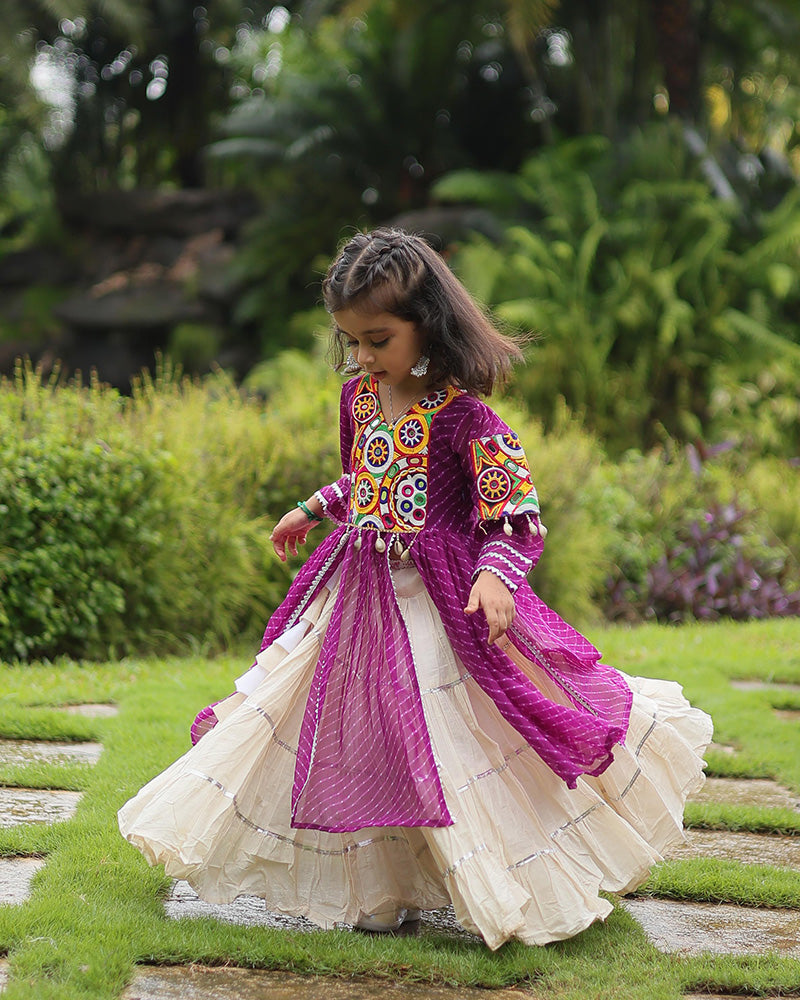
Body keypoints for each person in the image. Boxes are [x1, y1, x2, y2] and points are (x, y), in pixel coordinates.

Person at [118, 227, 712, 949]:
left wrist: (496, 578)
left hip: (439, 600)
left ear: (426, 323)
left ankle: (506, 876)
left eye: (377, 340)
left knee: (446, 736)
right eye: (352, 343)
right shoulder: (360, 400)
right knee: (353, 729)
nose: (364, 358)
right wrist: (313, 509)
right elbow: (368, 481)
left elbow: (516, 520)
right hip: (358, 591)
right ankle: (378, 884)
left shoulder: (471, 421)